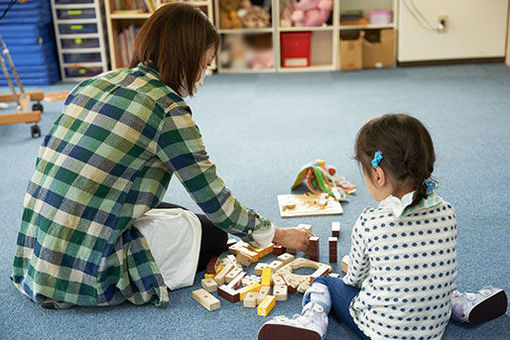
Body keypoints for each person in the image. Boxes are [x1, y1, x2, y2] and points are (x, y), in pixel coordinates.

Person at [11, 3, 312, 309]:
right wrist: (274, 234)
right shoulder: (167, 109)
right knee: (212, 233)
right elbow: (214, 200)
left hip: (38, 254)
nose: (202, 76)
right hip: (86, 271)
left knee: (171, 210)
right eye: (204, 65)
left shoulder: (94, 83)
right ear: (187, 58)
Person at [258, 114, 506, 340]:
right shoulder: (448, 211)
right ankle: (461, 305)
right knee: (425, 276)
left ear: (378, 175)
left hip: (382, 332)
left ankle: (311, 321)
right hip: (433, 328)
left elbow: (353, 280)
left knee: (325, 283)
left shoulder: (370, 221)